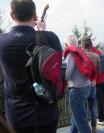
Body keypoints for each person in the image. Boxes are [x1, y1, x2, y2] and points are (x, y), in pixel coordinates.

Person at [0, 0, 62, 133]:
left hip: (16, 116)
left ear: (11, 15)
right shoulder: (50, 38)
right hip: (46, 114)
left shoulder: (2, 42)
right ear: (34, 14)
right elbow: (57, 68)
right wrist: (42, 33)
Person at [63, 34, 96, 133]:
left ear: (65, 44)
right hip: (86, 87)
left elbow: (67, 75)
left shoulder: (71, 55)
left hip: (77, 90)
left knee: (81, 122)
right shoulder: (81, 52)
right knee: (76, 118)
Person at [81, 36, 102, 133]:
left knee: (83, 107)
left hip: (82, 86)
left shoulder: (79, 55)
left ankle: (84, 128)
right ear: (91, 45)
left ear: (82, 44)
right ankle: (94, 128)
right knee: (93, 107)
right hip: (93, 84)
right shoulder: (96, 56)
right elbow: (99, 71)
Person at [91, 46, 104, 125]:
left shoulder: (91, 53)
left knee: (99, 99)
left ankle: (101, 119)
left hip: (98, 79)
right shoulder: (99, 51)